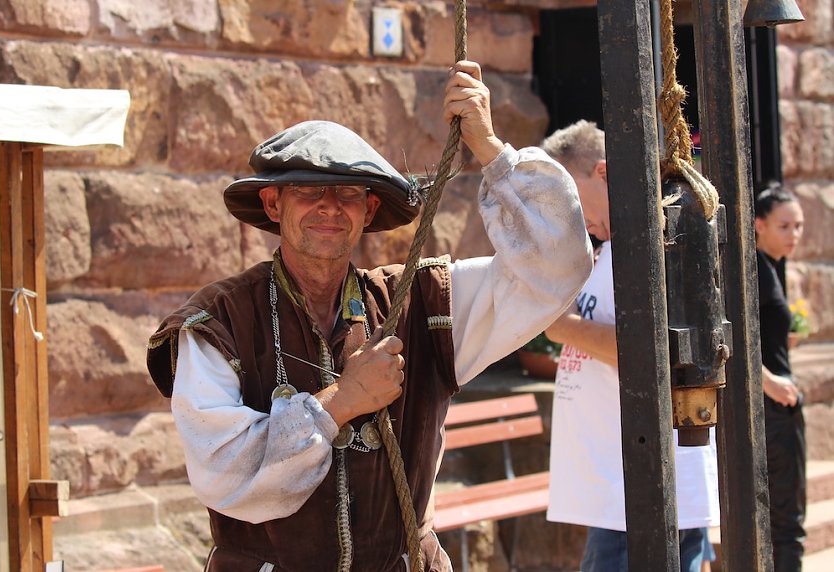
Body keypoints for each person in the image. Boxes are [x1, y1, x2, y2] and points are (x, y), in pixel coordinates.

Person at [145, 60, 593, 571]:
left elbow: (557, 263)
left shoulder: (423, 302)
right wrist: (341, 402)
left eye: (349, 194)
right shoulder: (217, 321)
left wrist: (489, 147)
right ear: (273, 204)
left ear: (370, 211)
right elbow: (223, 470)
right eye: (308, 191)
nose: (329, 207)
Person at [540, 120, 720, 572]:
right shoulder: (609, 251)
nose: (573, 217)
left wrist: (564, 328)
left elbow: (654, 356)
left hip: (644, 489)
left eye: (573, 200)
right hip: (619, 488)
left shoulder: (650, 248)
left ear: (603, 172)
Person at [755, 184, 807, 571]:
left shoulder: (771, 266)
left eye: (799, 226)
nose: (794, 234)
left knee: (782, 519)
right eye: (785, 225)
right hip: (772, 407)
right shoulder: (755, 266)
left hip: (777, 403)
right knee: (785, 521)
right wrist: (767, 379)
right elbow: (731, 337)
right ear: (759, 225)